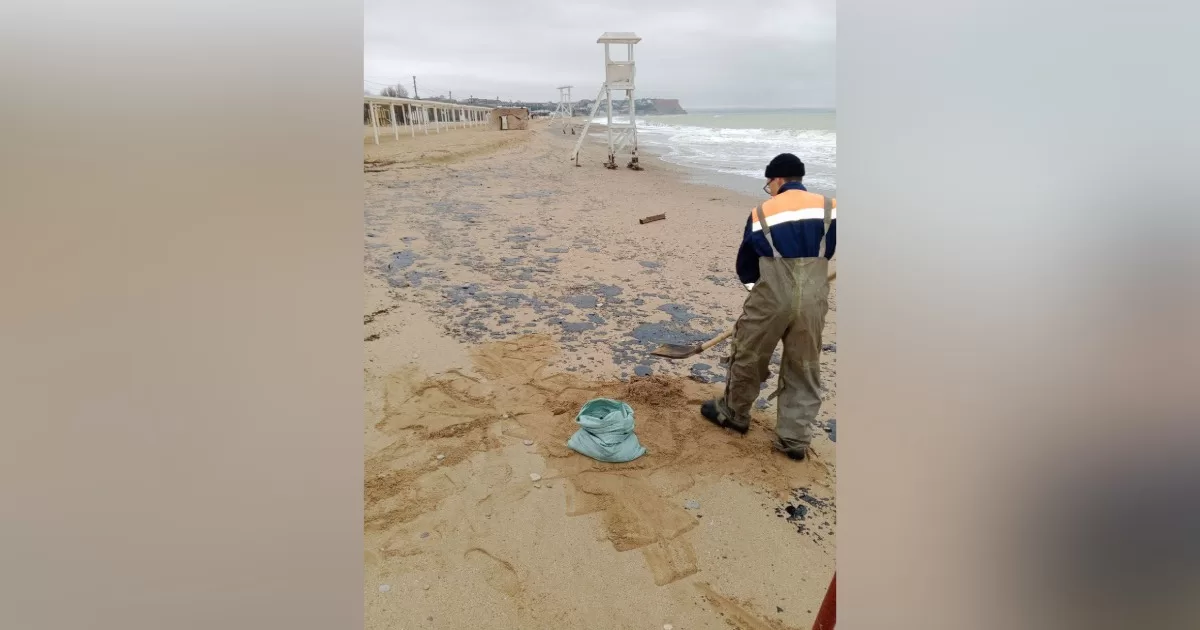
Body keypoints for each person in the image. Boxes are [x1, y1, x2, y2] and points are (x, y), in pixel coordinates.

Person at [700, 153, 836, 460]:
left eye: (769, 184)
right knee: (804, 366)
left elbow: (746, 264)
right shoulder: (830, 207)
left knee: (749, 354)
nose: (769, 189)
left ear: (777, 180)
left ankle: (734, 414)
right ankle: (794, 440)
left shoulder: (762, 211)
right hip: (814, 295)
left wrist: (758, 292)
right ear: (799, 179)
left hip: (771, 296)